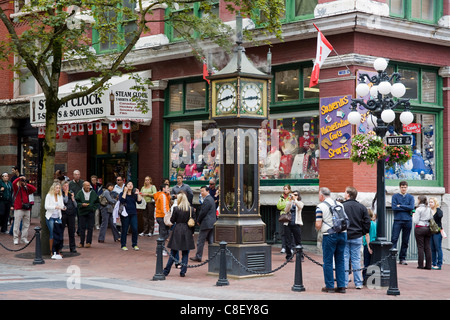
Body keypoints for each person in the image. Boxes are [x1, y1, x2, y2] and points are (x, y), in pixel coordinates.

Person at [315, 187, 347, 293]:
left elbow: (318, 224)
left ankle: (329, 286)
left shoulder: (320, 206)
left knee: (328, 261)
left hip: (329, 235)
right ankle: (342, 286)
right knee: (340, 260)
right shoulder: (340, 204)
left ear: (322, 195)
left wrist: (317, 228)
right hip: (342, 234)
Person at [342, 186, 371, 289]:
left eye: (345, 192)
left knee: (345, 259)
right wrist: (363, 232)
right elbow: (367, 222)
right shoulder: (361, 207)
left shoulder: (342, 206)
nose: (344, 194)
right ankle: (358, 283)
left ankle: (344, 282)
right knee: (356, 259)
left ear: (349, 194)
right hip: (357, 235)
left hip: (345, 235)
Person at [163, 192, 195, 277]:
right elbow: (193, 223)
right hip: (187, 230)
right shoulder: (191, 209)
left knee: (173, 252)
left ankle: (166, 271)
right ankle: (183, 271)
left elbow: (172, 221)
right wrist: (192, 233)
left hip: (177, 230)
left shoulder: (176, 209)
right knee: (185, 253)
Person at [391, 181, 415, 265]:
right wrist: (406, 207)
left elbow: (411, 207)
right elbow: (394, 207)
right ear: (400, 187)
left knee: (405, 240)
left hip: (408, 220)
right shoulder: (395, 196)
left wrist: (400, 206)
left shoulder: (411, 197)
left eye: (405, 187)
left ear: (407, 187)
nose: (403, 188)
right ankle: (392, 257)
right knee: (394, 238)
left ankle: (402, 258)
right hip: (398, 220)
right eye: (402, 187)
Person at [190, 186, 216, 262]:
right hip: (211, 223)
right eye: (200, 191)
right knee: (211, 241)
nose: (201, 193)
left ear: (207, 191)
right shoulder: (210, 199)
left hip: (206, 223)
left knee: (200, 241)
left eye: (202, 191)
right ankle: (212, 256)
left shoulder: (207, 200)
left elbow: (203, 212)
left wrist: (198, 220)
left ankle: (198, 256)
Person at [11, 175, 36, 245]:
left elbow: (34, 189)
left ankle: (24, 238)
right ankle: (15, 239)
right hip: (19, 208)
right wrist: (19, 178)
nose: (23, 182)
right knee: (17, 224)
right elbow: (13, 183)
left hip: (27, 208)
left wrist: (26, 184)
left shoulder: (26, 189)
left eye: (23, 180)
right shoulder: (17, 188)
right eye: (22, 181)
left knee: (26, 225)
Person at [119, 181, 142, 251]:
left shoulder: (133, 194)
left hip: (133, 213)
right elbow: (122, 200)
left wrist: (138, 194)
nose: (130, 185)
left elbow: (139, 202)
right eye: (128, 184)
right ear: (125, 186)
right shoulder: (122, 193)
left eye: (131, 184)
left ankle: (134, 244)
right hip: (125, 214)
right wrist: (125, 191)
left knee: (135, 229)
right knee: (125, 229)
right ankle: (123, 245)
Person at [75, 181, 99, 248]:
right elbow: (76, 201)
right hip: (82, 212)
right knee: (82, 228)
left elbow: (97, 202)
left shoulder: (93, 193)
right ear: (83, 186)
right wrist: (81, 205)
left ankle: (88, 242)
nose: (88, 187)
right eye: (86, 185)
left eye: (89, 185)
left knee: (90, 227)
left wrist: (93, 208)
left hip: (90, 212)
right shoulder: (80, 193)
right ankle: (81, 242)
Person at [44, 183, 65, 259]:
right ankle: (52, 252)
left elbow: (62, 205)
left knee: (59, 234)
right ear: (53, 188)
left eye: (59, 188)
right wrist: (55, 207)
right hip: (51, 217)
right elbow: (46, 206)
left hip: (58, 217)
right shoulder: (49, 195)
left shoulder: (60, 196)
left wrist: (63, 207)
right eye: (57, 188)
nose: (58, 189)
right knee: (52, 234)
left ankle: (58, 251)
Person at [283, 191, 304, 261]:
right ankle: (288, 256)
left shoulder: (300, 202)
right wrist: (289, 201)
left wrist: (295, 200)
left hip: (296, 224)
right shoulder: (289, 202)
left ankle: (300, 256)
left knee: (298, 240)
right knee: (288, 241)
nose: (294, 196)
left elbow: (300, 207)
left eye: (296, 195)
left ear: (298, 196)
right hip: (288, 224)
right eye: (293, 194)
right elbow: (286, 210)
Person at [413, 195, 432, 270]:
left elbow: (415, 221)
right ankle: (428, 265)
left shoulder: (418, 209)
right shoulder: (429, 209)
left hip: (420, 228)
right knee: (427, 247)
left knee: (420, 247)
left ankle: (420, 265)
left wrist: (413, 216)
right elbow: (431, 218)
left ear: (419, 201)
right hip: (427, 228)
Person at [276, 184, 294, 254]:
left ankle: (291, 247)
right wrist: (286, 204)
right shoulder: (281, 196)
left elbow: (291, 205)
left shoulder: (291, 196)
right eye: (284, 189)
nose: (285, 190)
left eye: (286, 189)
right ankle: (283, 247)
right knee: (283, 232)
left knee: (290, 233)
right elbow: (278, 206)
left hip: (289, 216)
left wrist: (284, 205)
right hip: (283, 216)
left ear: (289, 190)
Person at [61, 181, 77, 253]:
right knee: (61, 231)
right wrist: (66, 194)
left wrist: (73, 198)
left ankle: (72, 247)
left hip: (71, 214)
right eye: (65, 186)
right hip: (63, 214)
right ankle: (60, 247)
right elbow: (66, 201)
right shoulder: (60, 194)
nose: (67, 187)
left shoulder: (71, 193)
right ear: (62, 187)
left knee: (71, 231)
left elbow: (76, 205)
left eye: (67, 186)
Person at [155, 183, 171, 255]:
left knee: (164, 232)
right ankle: (160, 250)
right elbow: (164, 207)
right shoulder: (162, 196)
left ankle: (160, 249)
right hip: (162, 216)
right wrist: (167, 217)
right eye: (167, 188)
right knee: (163, 233)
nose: (168, 189)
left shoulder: (162, 195)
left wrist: (168, 195)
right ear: (163, 189)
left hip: (160, 216)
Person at [429, 197, 444, 270]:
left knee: (438, 248)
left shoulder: (438, 211)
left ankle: (439, 264)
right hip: (430, 232)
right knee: (432, 248)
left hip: (437, 232)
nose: (430, 203)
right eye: (429, 202)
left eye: (432, 202)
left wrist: (436, 209)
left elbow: (440, 216)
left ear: (435, 203)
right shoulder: (429, 211)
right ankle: (433, 263)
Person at [362, 208, 377, 282]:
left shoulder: (367, 224)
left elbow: (367, 235)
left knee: (366, 263)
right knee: (373, 262)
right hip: (375, 244)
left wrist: (368, 246)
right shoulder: (375, 224)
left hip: (368, 244)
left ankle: (365, 278)